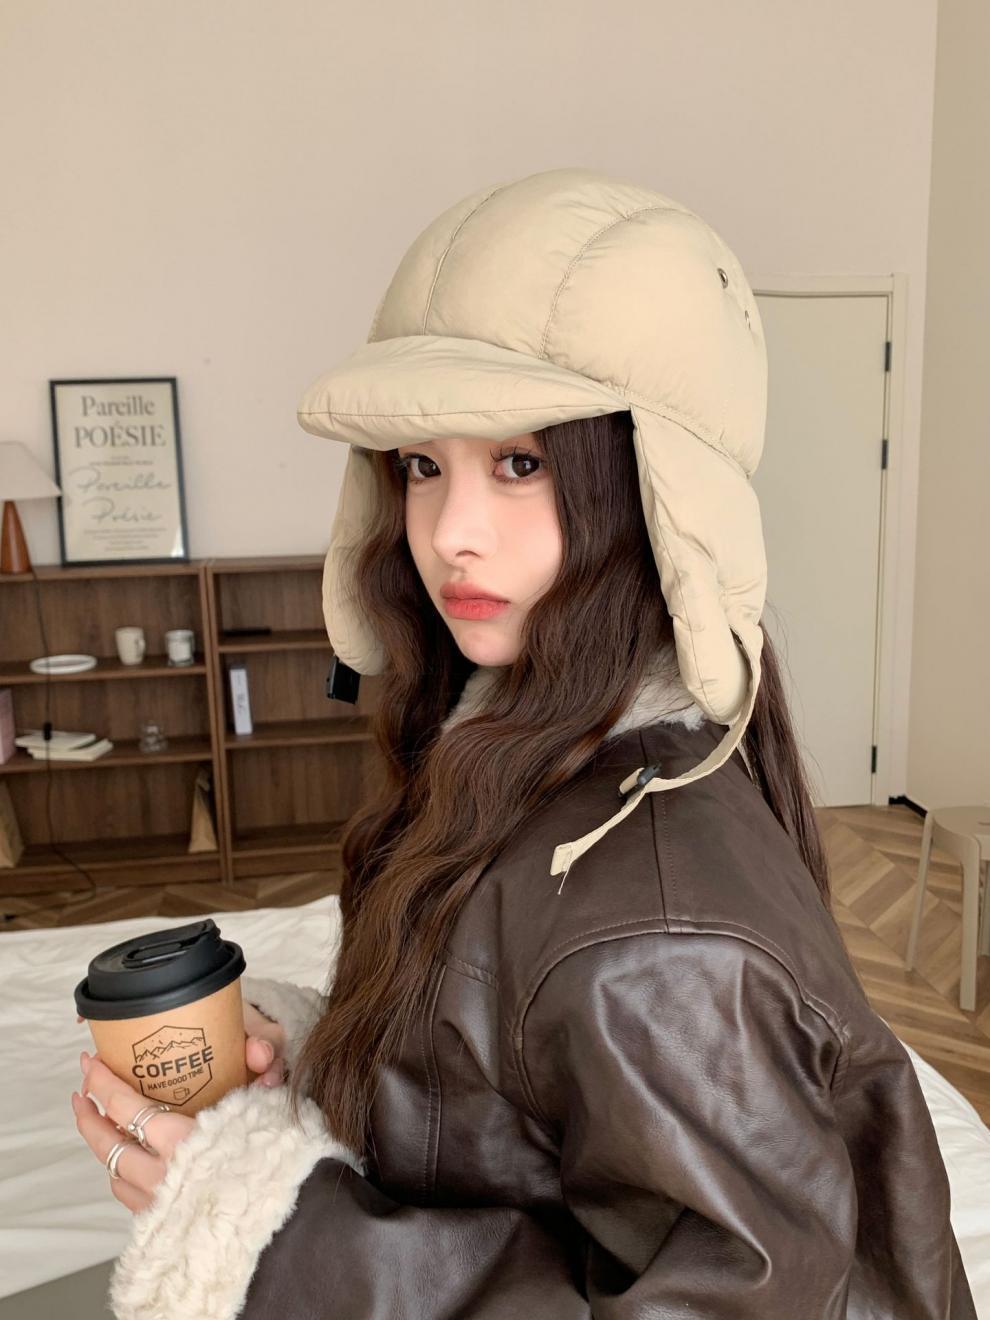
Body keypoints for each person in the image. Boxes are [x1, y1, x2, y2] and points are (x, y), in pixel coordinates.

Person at [72, 167, 977, 1319]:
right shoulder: (511, 748)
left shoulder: (658, 936)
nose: (451, 531)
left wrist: (275, 1243)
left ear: (649, 491)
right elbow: (526, 1099)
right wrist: (333, 1066)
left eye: (521, 462)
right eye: (421, 465)